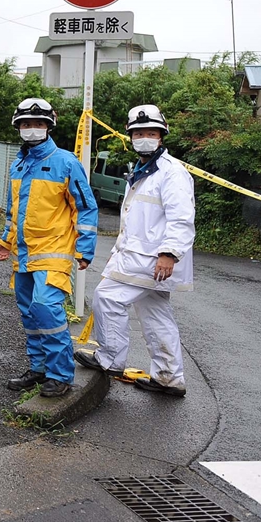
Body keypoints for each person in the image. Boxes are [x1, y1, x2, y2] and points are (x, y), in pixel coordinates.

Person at [75, 105, 194, 398]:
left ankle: (110, 359)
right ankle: (168, 376)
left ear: (161, 136)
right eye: (138, 133)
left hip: (152, 259)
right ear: (130, 136)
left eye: (150, 133)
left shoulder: (171, 173)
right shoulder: (144, 170)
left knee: (107, 297)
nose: (144, 138)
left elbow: (181, 217)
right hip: (146, 257)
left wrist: (169, 253)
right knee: (155, 312)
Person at [0, 98, 98, 398]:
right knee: (30, 313)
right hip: (24, 255)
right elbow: (15, 211)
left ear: (49, 126)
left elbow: (86, 208)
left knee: (47, 309)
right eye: (26, 124)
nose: (32, 129)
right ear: (18, 127)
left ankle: (60, 375)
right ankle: (39, 369)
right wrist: (5, 241)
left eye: (38, 124)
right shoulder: (19, 164)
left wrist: (85, 249)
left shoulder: (66, 162)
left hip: (54, 252)